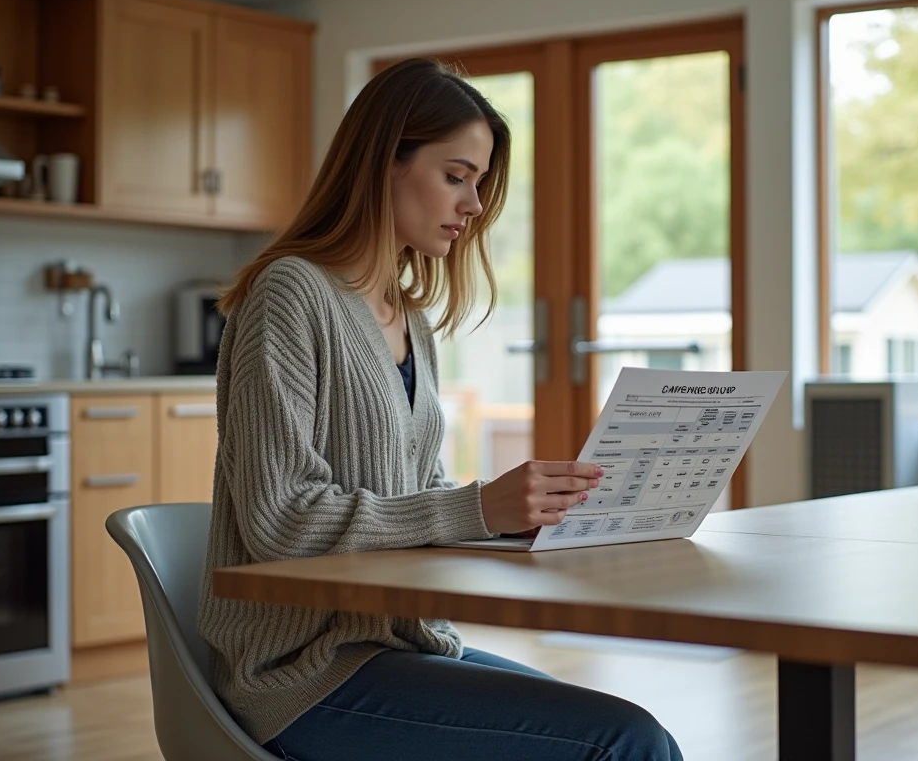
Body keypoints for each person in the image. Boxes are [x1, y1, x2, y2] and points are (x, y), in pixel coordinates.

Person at [197, 58, 684, 761]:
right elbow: (281, 520)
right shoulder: (290, 294)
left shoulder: (408, 319)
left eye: (479, 183)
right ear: (382, 163)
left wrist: (537, 519)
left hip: (399, 647)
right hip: (302, 677)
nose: (475, 204)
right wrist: (478, 508)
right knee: (623, 743)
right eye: (456, 176)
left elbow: (416, 500)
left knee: (642, 733)